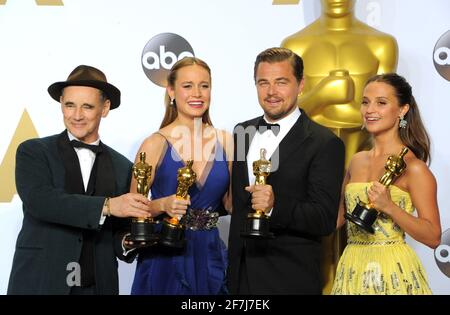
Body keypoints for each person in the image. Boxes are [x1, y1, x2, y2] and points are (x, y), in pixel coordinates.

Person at [281, 0, 398, 292]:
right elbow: (285, 112)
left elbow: (383, 113)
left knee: (361, 237)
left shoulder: (381, 44)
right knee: (311, 237)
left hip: (364, 161)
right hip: (310, 162)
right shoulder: (295, 44)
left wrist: (333, 108)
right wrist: (323, 94)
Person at [7, 65, 152, 295]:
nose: (76, 115)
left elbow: (118, 232)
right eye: (69, 105)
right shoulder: (33, 151)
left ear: (105, 108)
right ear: (61, 104)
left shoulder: (124, 166)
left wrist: (128, 241)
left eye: (87, 106)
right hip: (41, 282)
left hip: (98, 287)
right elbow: (40, 201)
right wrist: (108, 206)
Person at [227, 47, 345, 294]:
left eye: (281, 82)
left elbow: (324, 219)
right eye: (263, 83)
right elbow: (236, 202)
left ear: (301, 85)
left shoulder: (325, 143)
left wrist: (274, 207)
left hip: (289, 280)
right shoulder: (242, 132)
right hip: (240, 278)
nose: (271, 92)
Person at [128, 57, 233, 295]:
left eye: (204, 86)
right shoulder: (154, 143)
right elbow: (132, 207)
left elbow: (231, 204)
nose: (197, 93)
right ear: (171, 91)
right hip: (165, 252)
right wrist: (163, 204)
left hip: (209, 253)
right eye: (187, 86)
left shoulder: (227, 141)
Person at [331, 73, 441, 295]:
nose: (369, 110)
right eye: (365, 102)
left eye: (381, 103)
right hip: (352, 267)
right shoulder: (356, 160)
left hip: (393, 271)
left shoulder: (414, 167)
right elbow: (335, 219)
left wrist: (389, 207)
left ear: (402, 110)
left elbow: (433, 236)